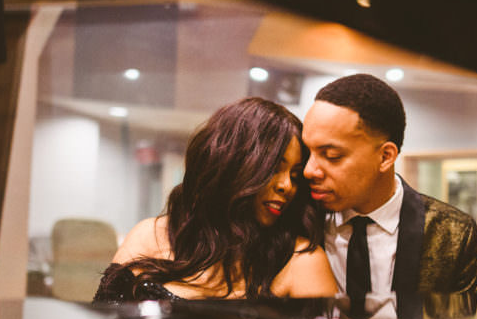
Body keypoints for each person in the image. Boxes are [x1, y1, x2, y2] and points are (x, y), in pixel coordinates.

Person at [95, 97, 338, 302]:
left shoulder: (301, 261)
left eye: (295, 176)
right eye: (274, 168)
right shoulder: (150, 235)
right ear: (233, 165)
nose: (287, 186)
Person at [301, 74, 477, 319]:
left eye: (331, 155)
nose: (310, 170)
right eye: (307, 152)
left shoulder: (453, 232)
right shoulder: (298, 221)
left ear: (386, 156)